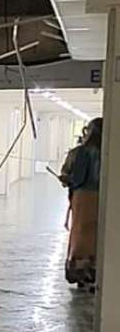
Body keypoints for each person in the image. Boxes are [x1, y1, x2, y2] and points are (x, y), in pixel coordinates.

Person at [62, 118, 102, 290]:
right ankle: (95, 272)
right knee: (98, 235)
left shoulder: (77, 153)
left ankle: (80, 274)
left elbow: (67, 176)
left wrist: (66, 180)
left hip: (82, 199)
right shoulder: (110, 152)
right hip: (104, 198)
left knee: (80, 235)